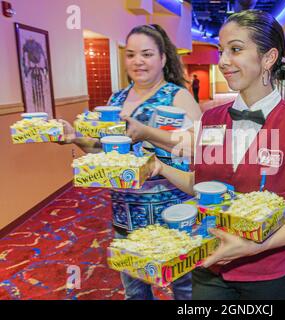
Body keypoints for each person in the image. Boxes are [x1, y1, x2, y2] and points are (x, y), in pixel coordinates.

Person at [147, 10, 285, 300]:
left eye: (236, 50)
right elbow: (201, 185)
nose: (223, 61)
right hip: (208, 266)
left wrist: (255, 247)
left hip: (266, 273)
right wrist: (161, 167)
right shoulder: (210, 119)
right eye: (221, 51)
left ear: (268, 58)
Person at [58, 24, 202, 300]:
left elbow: (197, 145)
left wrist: (146, 132)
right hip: (126, 211)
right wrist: (74, 137)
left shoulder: (177, 95)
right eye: (131, 54)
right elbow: (105, 149)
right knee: (135, 289)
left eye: (147, 54)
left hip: (172, 209)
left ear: (162, 58)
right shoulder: (117, 99)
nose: (138, 61)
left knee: (184, 288)